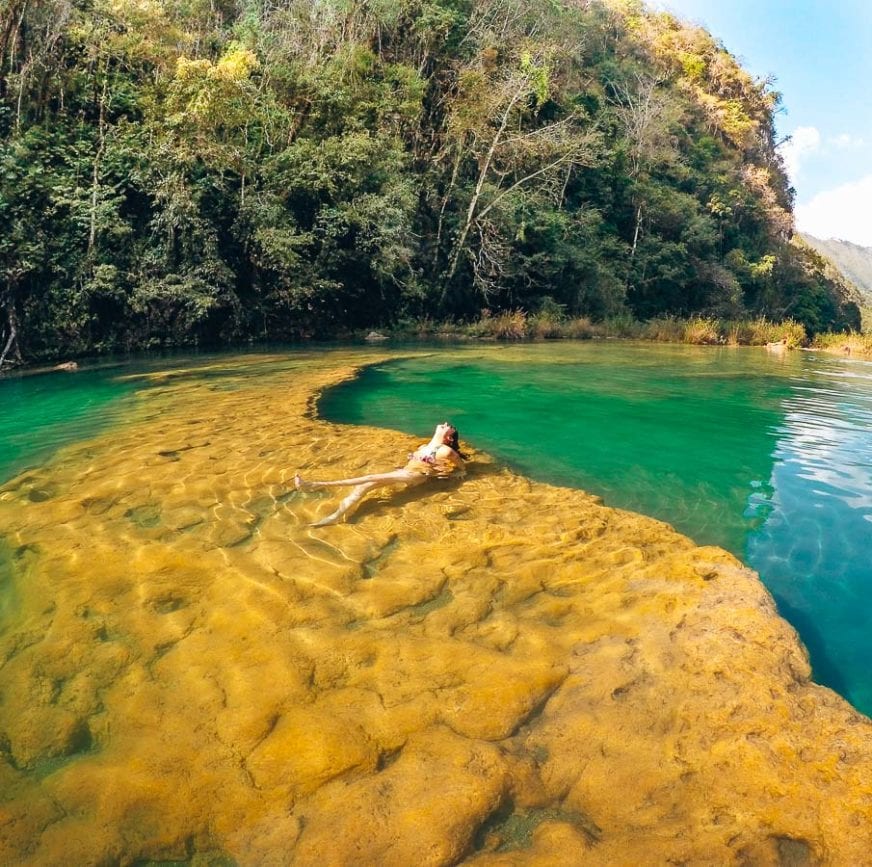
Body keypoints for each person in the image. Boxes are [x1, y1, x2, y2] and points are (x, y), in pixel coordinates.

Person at [295, 422, 467, 527]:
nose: (445, 424)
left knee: (370, 478)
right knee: (364, 486)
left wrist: (460, 472)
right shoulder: (424, 447)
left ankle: (312, 485)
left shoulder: (445, 451)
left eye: (449, 427)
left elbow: (460, 466)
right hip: (406, 472)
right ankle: (334, 517)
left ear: (449, 438)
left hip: (416, 476)